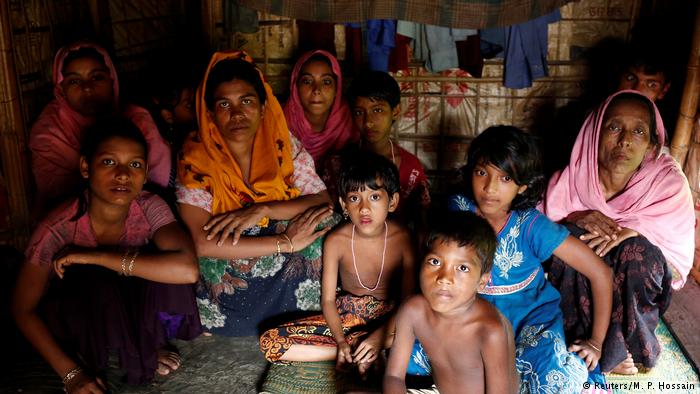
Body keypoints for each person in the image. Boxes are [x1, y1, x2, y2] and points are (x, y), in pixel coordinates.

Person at [12, 118, 202, 392]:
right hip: (86, 317)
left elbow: (187, 269)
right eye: (109, 162)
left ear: (146, 172)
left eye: (135, 165)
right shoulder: (57, 227)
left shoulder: (148, 205)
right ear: (85, 167)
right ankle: (111, 354)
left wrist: (94, 256)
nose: (123, 175)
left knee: (161, 269)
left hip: (129, 301)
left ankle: (142, 344)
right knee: (93, 281)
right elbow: (22, 309)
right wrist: (71, 374)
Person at [440, 126, 613, 392]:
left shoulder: (532, 226)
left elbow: (601, 273)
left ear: (522, 186)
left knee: (551, 380)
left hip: (531, 321)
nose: (489, 187)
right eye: (481, 172)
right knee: (417, 355)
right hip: (473, 317)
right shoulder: (458, 208)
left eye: (505, 178)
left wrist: (596, 343)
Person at [177, 51, 335, 336]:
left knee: (324, 224)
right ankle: (237, 322)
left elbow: (322, 201)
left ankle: (303, 310)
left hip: (282, 257)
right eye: (225, 104)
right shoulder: (196, 158)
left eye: (247, 101)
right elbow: (202, 243)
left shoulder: (281, 144)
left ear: (263, 107)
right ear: (210, 113)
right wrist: (284, 242)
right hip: (231, 274)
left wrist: (263, 210)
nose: (237, 113)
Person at [542, 91, 694, 375]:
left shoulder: (667, 183)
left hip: (634, 279)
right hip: (585, 293)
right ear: (594, 133)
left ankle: (628, 347)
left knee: (638, 254)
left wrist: (635, 231)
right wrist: (574, 217)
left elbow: (674, 265)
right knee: (570, 242)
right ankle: (588, 341)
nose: (625, 139)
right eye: (614, 127)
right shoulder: (571, 178)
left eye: (638, 131)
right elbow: (535, 233)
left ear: (651, 145)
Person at [260, 153, 415, 375]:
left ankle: (370, 348)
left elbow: (408, 303)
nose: (363, 208)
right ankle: (354, 351)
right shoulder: (336, 241)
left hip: (392, 320)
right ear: (343, 204)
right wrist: (341, 341)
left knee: (424, 328)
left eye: (374, 197)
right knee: (270, 342)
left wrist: (380, 337)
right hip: (346, 318)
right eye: (354, 198)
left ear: (392, 202)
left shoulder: (404, 238)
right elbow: (329, 301)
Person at [29, 41, 171, 215]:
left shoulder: (137, 119)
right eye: (74, 81)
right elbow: (57, 197)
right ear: (61, 89)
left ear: (112, 81)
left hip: (145, 216)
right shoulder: (50, 133)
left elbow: (157, 181)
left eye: (97, 77)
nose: (87, 88)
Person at [384, 211, 518, 394]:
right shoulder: (412, 311)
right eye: (435, 261)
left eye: (462, 268)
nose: (444, 278)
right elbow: (394, 377)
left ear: (482, 281)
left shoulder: (489, 330)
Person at [323, 70, 430, 230]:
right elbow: (328, 214)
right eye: (360, 112)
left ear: (395, 111)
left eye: (377, 110)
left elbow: (423, 222)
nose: (368, 122)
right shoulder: (337, 163)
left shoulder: (410, 168)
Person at [284, 50, 358, 169]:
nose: (316, 89)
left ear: (336, 88)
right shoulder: (280, 123)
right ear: (295, 87)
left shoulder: (351, 121)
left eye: (326, 82)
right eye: (307, 81)